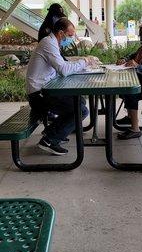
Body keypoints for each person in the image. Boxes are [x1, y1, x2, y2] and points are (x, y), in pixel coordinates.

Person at [26, 18, 94, 155]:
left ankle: (52, 131)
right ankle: (50, 140)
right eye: (70, 35)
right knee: (81, 110)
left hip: (46, 89)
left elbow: (63, 65)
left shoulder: (53, 43)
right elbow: (63, 69)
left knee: (79, 101)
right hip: (38, 95)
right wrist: (84, 62)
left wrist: (83, 64)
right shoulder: (48, 43)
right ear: (61, 33)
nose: (71, 38)